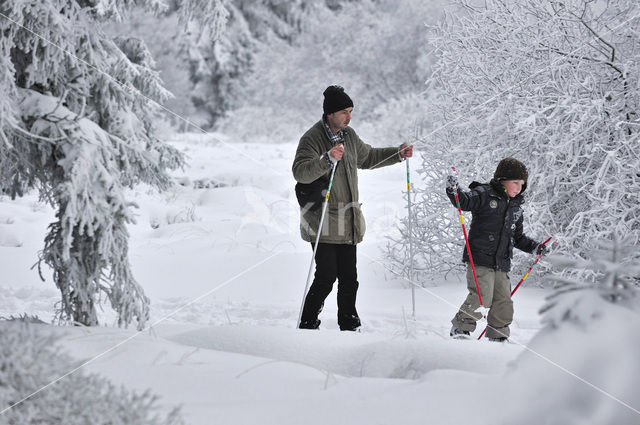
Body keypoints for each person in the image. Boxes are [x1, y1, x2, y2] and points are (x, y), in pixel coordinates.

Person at [292, 85, 413, 331]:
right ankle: (307, 324)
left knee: (350, 279)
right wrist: (327, 159)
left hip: (348, 220)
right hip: (323, 220)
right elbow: (301, 172)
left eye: (351, 111)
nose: (349, 116)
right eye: (344, 112)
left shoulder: (349, 135)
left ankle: (349, 324)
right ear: (330, 114)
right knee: (326, 278)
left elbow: (367, 157)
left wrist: (397, 154)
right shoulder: (312, 139)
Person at [445, 157, 547, 341]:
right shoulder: (485, 193)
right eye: (515, 182)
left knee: (503, 301)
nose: (519, 187)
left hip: (502, 262)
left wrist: (536, 248)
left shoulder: (516, 209)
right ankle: (460, 328)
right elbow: (465, 201)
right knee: (482, 296)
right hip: (480, 258)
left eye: (522, 184)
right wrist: (454, 190)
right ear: (502, 179)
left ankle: (498, 336)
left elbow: (518, 238)